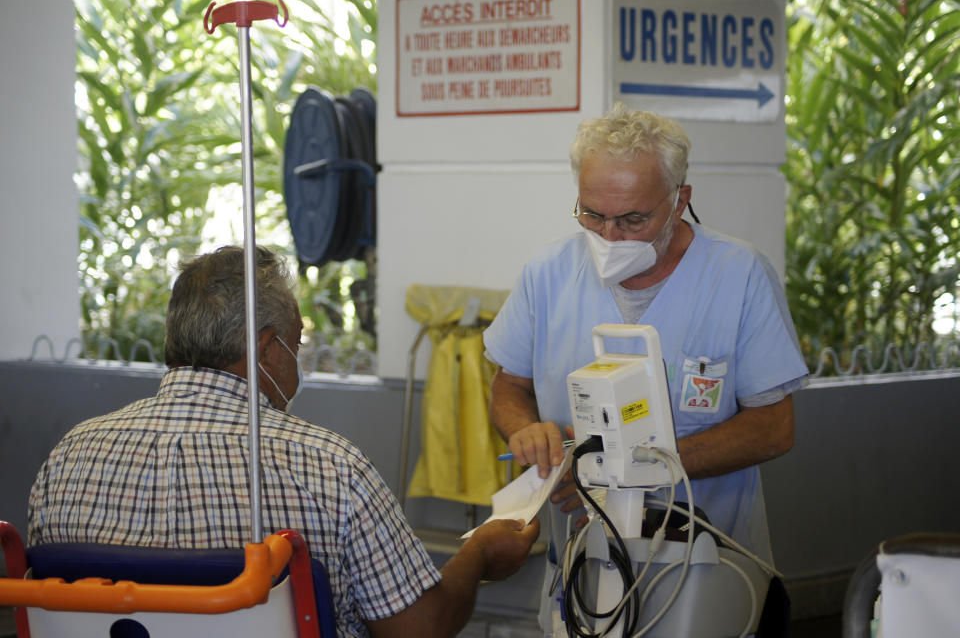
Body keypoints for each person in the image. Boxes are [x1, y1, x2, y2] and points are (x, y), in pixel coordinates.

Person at [28, 245, 540, 638]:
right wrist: (477, 557)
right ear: (268, 349)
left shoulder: (69, 456)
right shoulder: (329, 466)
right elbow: (416, 629)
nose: (299, 356)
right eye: (297, 342)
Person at [482, 104, 809, 565]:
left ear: (679, 200)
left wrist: (636, 468)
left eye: (633, 220)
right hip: (581, 565)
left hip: (708, 563)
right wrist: (524, 430)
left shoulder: (738, 276)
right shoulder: (549, 274)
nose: (611, 237)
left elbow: (774, 429)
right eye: (593, 215)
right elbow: (508, 385)